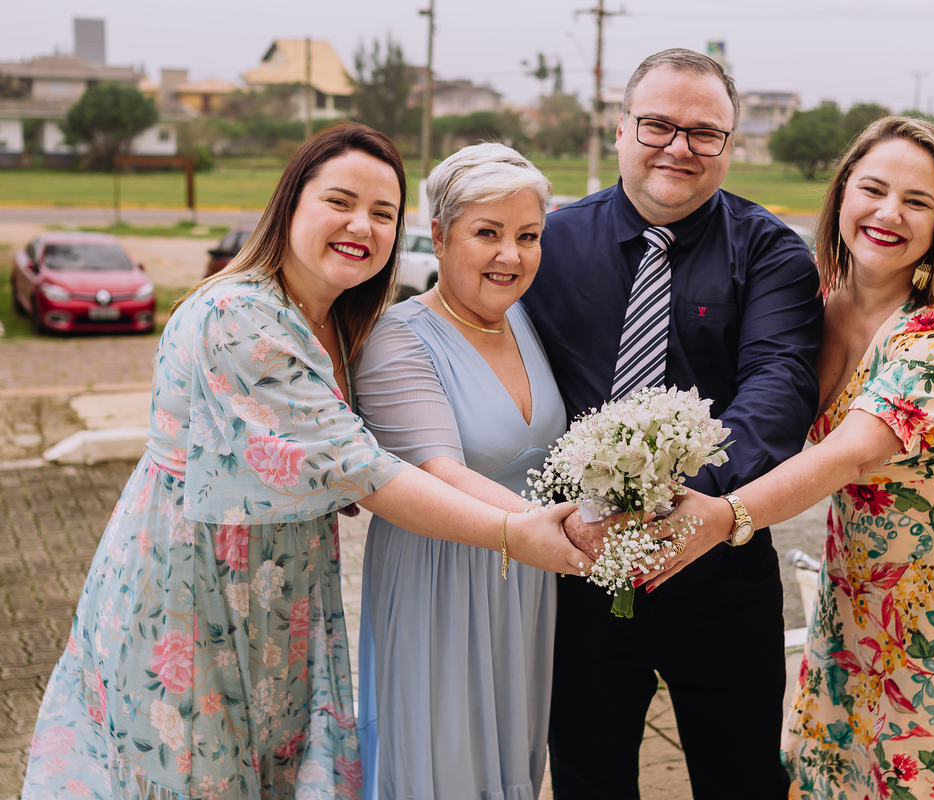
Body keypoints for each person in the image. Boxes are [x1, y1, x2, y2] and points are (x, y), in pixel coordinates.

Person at [21, 123, 587, 800]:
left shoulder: (336, 322)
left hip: (285, 587)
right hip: (196, 587)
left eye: (383, 213)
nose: (362, 226)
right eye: (340, 202)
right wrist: (515, 532)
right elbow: (361, 472)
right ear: (290, 203)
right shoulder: (238, 316)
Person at [655, 116, 934, 799]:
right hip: (859, 566)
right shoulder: (814, 298)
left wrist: (723, 516)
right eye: (873, 189)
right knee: (841, 747)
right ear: (841, 194)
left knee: (922, 764)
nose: (889, 213)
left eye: (917, 201)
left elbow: (848, 454)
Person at [522, 49, 823, 799]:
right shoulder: (549, 246)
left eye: (704, 132)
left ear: (730, 144)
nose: (679, 147)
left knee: (742, 781)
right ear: (620, 128)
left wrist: (688, 504)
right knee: (588, 781)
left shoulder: (772, 252)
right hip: (579, 570)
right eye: (657, 124)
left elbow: (779, 385)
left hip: (721, 561)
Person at [351, 143, 565, 800]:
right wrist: (565, 532)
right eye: (488, 233)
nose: (511, 256)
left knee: (511, 759)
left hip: (525, 581)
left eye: (527, 236)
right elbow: (438, 471)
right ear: (439, 236)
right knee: (445, 765)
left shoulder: (523, 319)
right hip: (442, 578)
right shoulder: (397, 338)